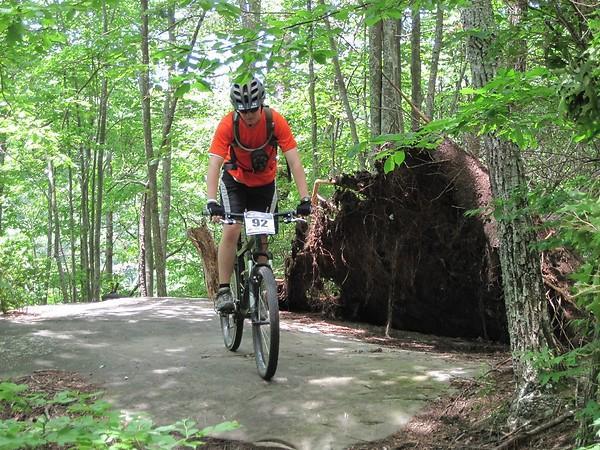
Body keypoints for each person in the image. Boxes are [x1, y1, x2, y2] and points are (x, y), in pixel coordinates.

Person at [206, 78, 311, 313]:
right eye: (243, 111)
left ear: (261, 104)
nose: (249, 114)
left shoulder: (275, 121)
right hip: (235, 181)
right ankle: (223, 290)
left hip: (264, 183)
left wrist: (305, 198)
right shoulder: (228, 125)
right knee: (232, 228)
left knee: (262, 232)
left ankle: (262, 289)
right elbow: (213, 165)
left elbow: (294, 161)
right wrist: (212, 201)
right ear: (236, 109)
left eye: (253, 109)